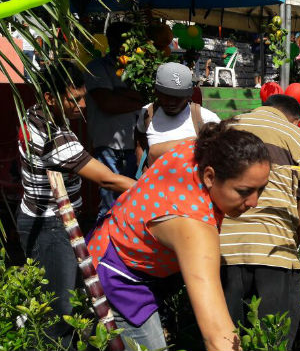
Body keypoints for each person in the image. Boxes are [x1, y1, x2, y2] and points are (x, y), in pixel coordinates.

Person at [86, 121, 270, 351]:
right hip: (118, 275)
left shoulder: (201, 149)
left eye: (260, 189)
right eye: (244, 192)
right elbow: (217, 337)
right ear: (210, 177)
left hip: (121, 244)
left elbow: (154, 151)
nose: (254, 202)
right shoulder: (194, 228)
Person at [16, 61, 135, 345]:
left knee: (55, 299)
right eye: (75, 99)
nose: (83, 104)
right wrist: (155, 193)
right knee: (60, 315)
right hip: (50, 226)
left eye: (83, 97)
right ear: (49, 98)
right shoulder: (55, 137)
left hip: (41, 217)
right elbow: (107, 179)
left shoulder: (35, 114)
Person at [220, 94, 300, 349]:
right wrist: (290, 241)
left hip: (224, 248)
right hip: (275, 249)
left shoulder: (227, 127)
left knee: (225, 337)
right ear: (295, 119)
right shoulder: (299, 137)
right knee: (273, 338)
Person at [85, 22, 144, 220]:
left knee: (131, 200)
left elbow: (144, 96)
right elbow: (108, 103)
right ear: (111, 40)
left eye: (127, 39)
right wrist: (137, 98)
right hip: (108, 143)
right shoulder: (97, 67)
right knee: (110, 202)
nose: (124, 43)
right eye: (120, 38)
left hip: (134, 144)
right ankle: (103, 245)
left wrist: (122, 94)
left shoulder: (137, 68)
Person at [134, 62, 220, 170]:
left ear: (189, 95)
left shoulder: (206, 119)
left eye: (178, 97)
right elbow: (140, 137)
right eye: (166, 95)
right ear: (156, 92)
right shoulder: (147, 113)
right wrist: (142, 167)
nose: (171, 102)